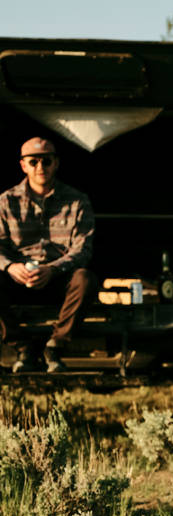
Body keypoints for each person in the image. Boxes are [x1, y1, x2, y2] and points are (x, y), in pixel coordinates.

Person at [0, 137, 96, 373]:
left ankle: (55, 346)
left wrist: (53, 269)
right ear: (23, 165)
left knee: (85, 279)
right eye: (33, 162)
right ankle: (21, 347)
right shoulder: (5, 201)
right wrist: (10, 267)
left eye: (46, 161)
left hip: (58, 277)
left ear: (56, 163)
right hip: (17, 278)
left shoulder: (77, 201)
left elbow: (82, 249)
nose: (40, 167)